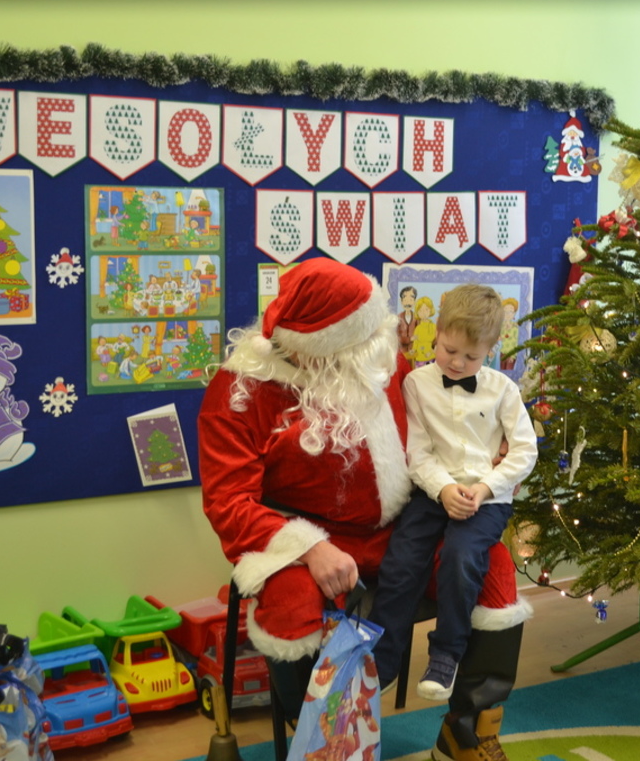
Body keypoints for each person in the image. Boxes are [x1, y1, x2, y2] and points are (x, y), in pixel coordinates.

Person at [197, 258, 532, 761]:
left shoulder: (374, 359)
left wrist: (494, 455)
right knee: (292, 601)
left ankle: (466, 730)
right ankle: (321, 740)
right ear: (323, 344)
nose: (385, 340)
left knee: (494, 568)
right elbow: (228, 503)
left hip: (402, 525)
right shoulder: (241, 392)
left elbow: (445, 423)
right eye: (367, 333)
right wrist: (309, 548)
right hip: (300, 536)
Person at [370, 284, 538, 704]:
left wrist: (484, 487)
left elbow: (525, 451)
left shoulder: (503, 390)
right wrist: (444, 488)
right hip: (432, 492)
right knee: (402, 560)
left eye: (472, 357)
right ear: (437, 333)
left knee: (462, 557)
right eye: (449, 350)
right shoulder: (416, 384)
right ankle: (383, 661)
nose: (459, 363)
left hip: (486, 498)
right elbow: (417, 451)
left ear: (491, 350)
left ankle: (446, 654)